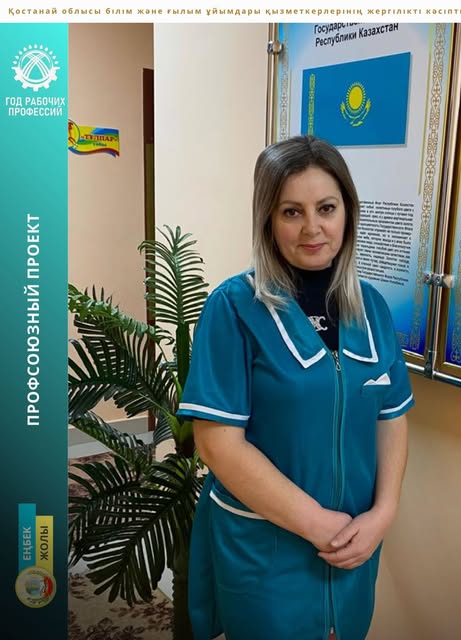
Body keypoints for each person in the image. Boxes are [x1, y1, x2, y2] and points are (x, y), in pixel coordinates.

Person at [177, 135, 414, 640]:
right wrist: (320, 525)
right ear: (268, 219)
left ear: (347, 213)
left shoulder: (372, 309)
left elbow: (391, 417)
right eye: (291, 212)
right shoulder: (234, 308)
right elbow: (218, 446)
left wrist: (383, 512)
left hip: (354, 544)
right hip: (268, 548)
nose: (312, 228)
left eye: (326, 208)